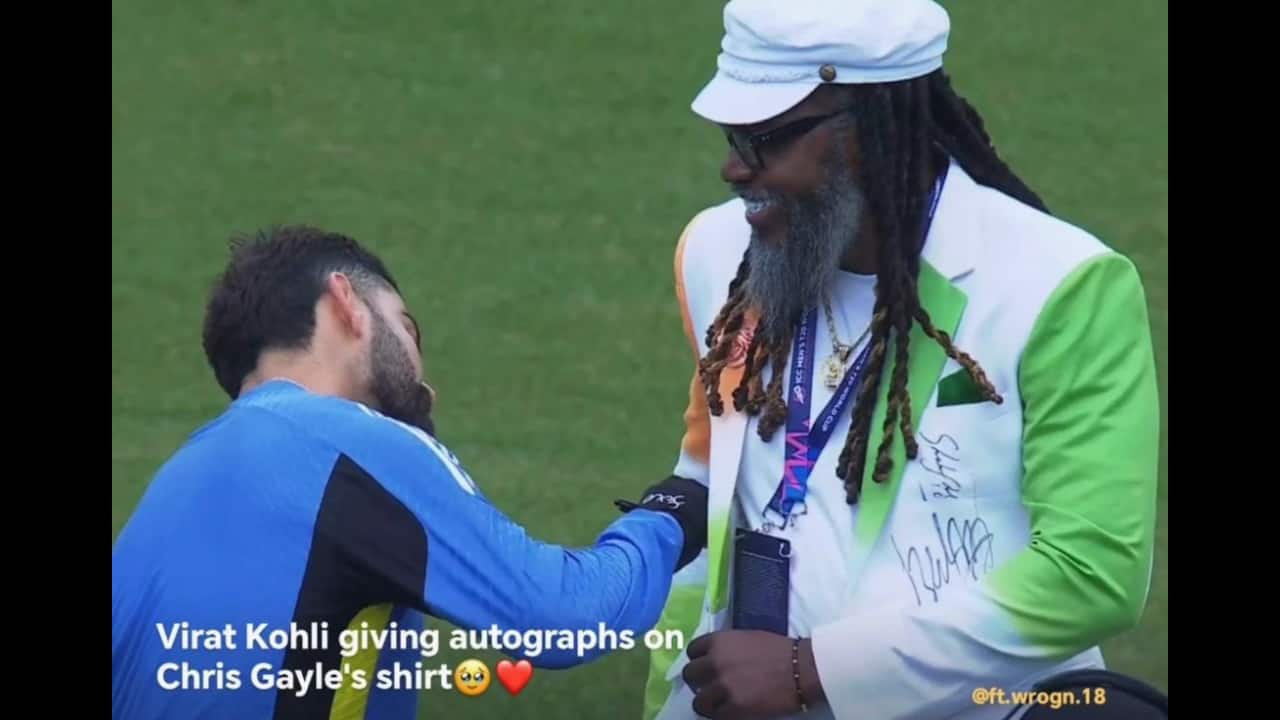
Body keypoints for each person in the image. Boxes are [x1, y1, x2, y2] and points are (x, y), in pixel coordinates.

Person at [639, 1, 1162, 719]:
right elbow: (712, 478)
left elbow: (1091, 572)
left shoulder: (1060, 285)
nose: (734, 167)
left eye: (766, 139)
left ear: (868, 129)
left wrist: (814, 668)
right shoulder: (717, 251)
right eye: (733, 136)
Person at [111, 225, 708, 720]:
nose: (423, 377)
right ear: (346, 302)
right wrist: (674, 512)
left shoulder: (171, 488)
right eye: (407, 327)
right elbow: (564, 618)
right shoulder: (352, 442)